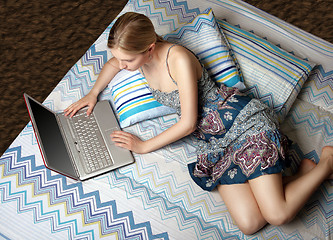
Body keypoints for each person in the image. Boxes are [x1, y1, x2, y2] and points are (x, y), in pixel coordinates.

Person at [64, 12, 333, 235]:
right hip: (215, 139)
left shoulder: (177, 58)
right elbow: (112, 64)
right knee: (250, 224)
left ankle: (326, 164)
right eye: (119, 58)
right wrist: (92, 93)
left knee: (278, 215)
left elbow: (188, 123)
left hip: (243, 122)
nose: (121, 65)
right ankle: (300, 176)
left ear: (149, 48)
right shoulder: (134, 57)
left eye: (127, 60)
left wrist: (144, 146)